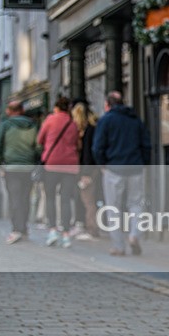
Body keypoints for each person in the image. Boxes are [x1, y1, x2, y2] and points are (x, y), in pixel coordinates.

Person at [92, 90, 150, 256]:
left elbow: (97, 147)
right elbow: (146, 144)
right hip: (136, 168)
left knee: (113, 208)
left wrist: (102, 164)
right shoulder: (136, 120)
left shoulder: (106, 120)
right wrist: (143, 163)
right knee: (136, 204)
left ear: (107, 104)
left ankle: (118, 245)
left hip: (113, 168)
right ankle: (134, 235)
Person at [0, 100, 40, 244]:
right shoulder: (32, 125)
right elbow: (38, 146)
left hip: (11, 168)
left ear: (10, 111)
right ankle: (24, 228)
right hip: (28, 168)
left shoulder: (6, 125)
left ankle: (16, 230)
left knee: (14, 198)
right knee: (25, 197)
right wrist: (35, 161)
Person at [37, 96, 79, 248]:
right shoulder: (72, 123)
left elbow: (40, 140)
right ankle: (66, 234)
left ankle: (53, 231)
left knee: (50, 198)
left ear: (56, 107)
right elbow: (76, 143)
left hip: (52, 164)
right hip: (70, 165)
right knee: (66, 199)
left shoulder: (50, 120)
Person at [71, 100, 100, 240]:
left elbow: (88, 153)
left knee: (88, 199)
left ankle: (92, 229)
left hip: (88, 170)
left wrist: (86, 173)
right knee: (86, 198)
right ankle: (86, 225)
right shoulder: (92, 128)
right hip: (89, 169)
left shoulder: (88, 130)